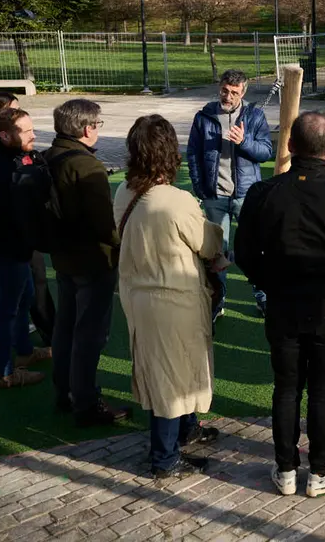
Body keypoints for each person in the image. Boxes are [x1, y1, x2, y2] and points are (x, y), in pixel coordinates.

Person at [236, 112, 325, 498]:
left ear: (289, 146)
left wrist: (268, 284)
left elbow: (244, 253)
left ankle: (287, 468)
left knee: (287, 388)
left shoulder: (264, 193)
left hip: (288, 303)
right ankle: (319, 470)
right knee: (322, 390)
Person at [114, 114, 228, 479]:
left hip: (138, 295)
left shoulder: (124, 192)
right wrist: (213, 231)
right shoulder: (175, 200)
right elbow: (207, 243)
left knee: (170, 369)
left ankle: (186, 428)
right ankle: (164, 458)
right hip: (173, 299)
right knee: (170, 377)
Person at [44, 99, 129, 428]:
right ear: (85, 128)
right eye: (96, 124)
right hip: (93, 260)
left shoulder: (49, 156)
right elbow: (103, 224)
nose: (97, 130)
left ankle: (64, 392)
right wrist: (123, 244)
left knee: (65, 328)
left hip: (63, 256)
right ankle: (86, 402)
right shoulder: (86, 166)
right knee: (90, 335)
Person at [188, 69, 274, 320]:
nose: (228, 96)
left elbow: (266, 152)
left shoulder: (255, 116)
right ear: (220, 87)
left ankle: (262, 296)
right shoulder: (204, 117)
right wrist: (200, 188)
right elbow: (193, 154)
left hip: (246, 196)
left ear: (243, 92)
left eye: (234, 93)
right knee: (217, 252)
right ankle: (218, 300)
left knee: (255, 248)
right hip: (215, 196)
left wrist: (243, 142)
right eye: (225, 90)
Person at [0, 107, 48, 388]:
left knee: (24, 298)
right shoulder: (0, 168)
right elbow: (9, 211)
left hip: (14, 248)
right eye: (26, 131)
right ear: (4, 135)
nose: (33, 135)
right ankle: (3, 373)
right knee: (5, 312)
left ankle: (25, 352)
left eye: (32, 129)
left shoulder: (7, 159)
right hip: (3, 250)